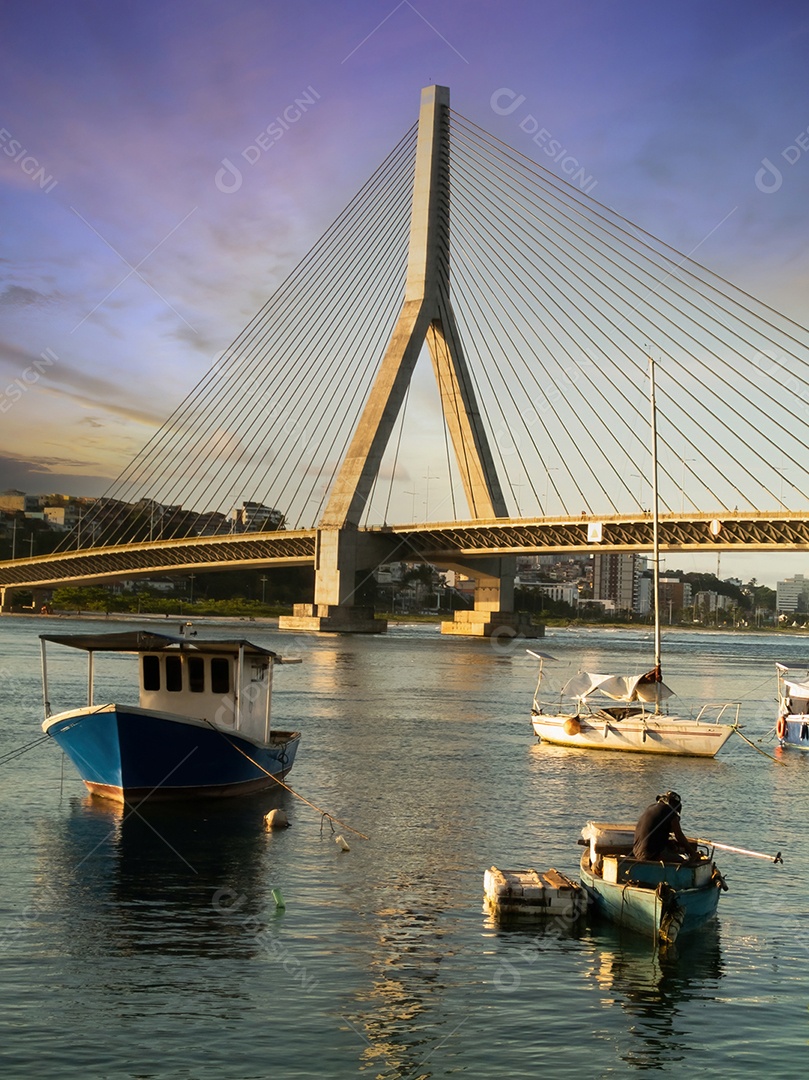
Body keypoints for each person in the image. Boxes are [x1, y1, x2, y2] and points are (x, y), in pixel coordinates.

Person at [632, 791, 698, 861]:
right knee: (682, 860)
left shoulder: (650, 808)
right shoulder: (670, 812)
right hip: (651, 854)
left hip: (637, 852)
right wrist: (692, 853)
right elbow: (679, 835)